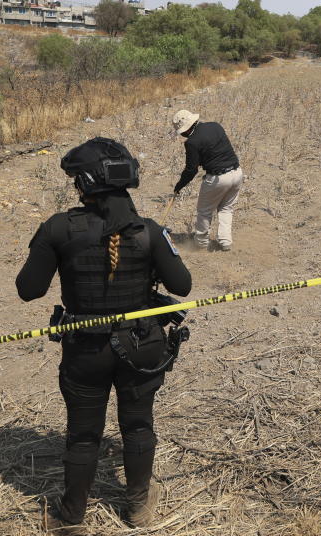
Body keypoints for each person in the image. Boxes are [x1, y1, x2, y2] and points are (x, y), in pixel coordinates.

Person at [15, 137, 192, 534]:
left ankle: (72, 517)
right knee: (138, 425)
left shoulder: (59, 228)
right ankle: (138, 509)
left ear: (84, 185)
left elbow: (29, 289)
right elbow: (183, 285)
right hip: (142, 345)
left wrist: (49, 246)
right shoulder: (149, 231)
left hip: (85, 350)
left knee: (83, 434)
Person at [172, 109, 243, 252]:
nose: (183, 135)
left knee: (204, 211)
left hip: (218, 179)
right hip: (237, 173)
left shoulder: (192, 142)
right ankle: (225, 241)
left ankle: (201, 243)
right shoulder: (215, 126)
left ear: (186, 129)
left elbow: (191, 170)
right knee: (226, 208)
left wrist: (179, 186)